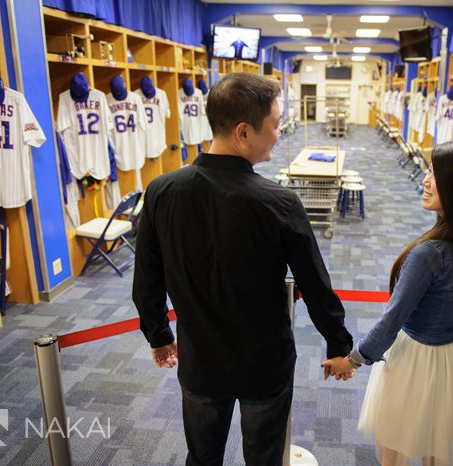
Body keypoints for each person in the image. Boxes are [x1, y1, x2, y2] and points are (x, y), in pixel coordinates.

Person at [133, 72, 353, 466]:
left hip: (201, 361)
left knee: (202, 459)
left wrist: (158, 334)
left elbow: (147, 277)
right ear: (243, 132)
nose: (278, 132)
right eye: (273, 124)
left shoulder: (161, 191)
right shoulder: (279, 202)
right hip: (263, 364)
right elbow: (316, 286)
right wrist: (338, 343)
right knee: (264, 460)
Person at [323, 140, 453, 466]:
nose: (425, 179)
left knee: (396, 442)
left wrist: (352, 360)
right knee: (436, 439)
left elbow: (392, 320)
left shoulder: (429, 254)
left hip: (417, 357)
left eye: (435, 173)